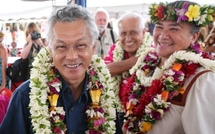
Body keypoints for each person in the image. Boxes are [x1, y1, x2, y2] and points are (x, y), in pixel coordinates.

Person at [0, 5, 116, 134]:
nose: (72, 56)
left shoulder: (107, 94)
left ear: (93, 47)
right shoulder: (24, 96)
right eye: (61, 47)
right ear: (50, 49)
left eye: (81, 45)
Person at [119, 1, 215, 134]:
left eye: (174, 29)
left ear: (194, 37)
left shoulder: (201, 79)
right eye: (159, 27)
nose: (163, 35)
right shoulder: (146, 66)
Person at [103, 11, 153, 134]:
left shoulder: (153, 51)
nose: (128, 38)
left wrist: (120, 66)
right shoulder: (116, 49)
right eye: (123, 33)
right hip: (117, 115)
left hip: (144, 118)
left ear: (143, 32)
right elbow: (105, 71)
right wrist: (135, 61)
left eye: (133, 32)